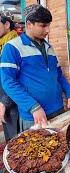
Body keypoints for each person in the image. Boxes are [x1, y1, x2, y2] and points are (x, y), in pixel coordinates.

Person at [0, 4, 70, 131]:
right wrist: (33, 106)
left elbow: (58, 75)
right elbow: (8, 82)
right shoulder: (13, 47)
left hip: (57, 108)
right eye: (43, 26)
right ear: (29, 24)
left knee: (60, 146)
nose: (48, 30)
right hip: (33, 115)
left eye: (48, 25)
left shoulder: (49, 48)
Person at [0, 13, 19, 141]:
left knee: (16, 137)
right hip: (3, 97)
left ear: (7, 24)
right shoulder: (2, 45)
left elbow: (19, 78)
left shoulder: (14, 45)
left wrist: (4, 102)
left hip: (13, 100)